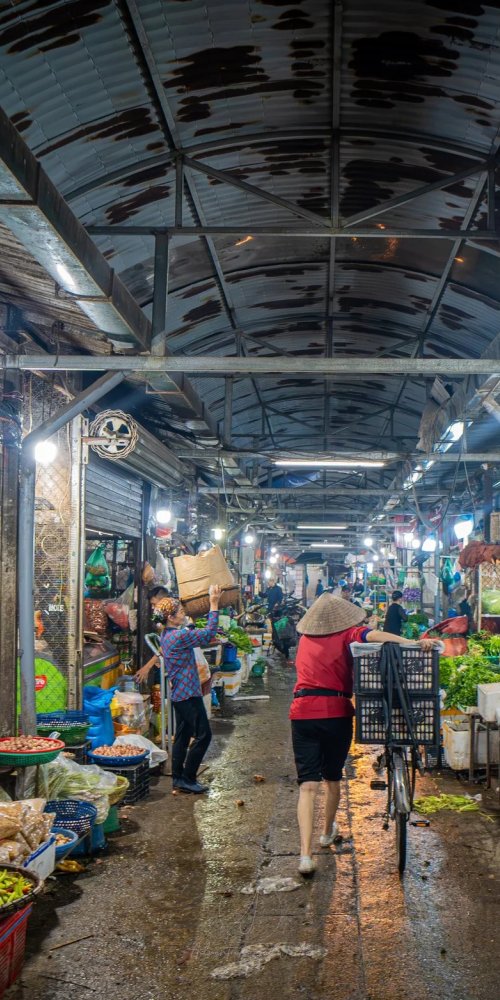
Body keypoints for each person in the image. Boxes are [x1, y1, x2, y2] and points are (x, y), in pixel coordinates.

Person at [289, 593, 437, 876]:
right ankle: (326, 833)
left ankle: (305, 857)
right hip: (336, 712)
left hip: (302, 712)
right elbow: (376, 635)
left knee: (307, 787)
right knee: (332, 779)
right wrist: (411, 642)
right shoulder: (348, 634)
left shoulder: (305, 639)